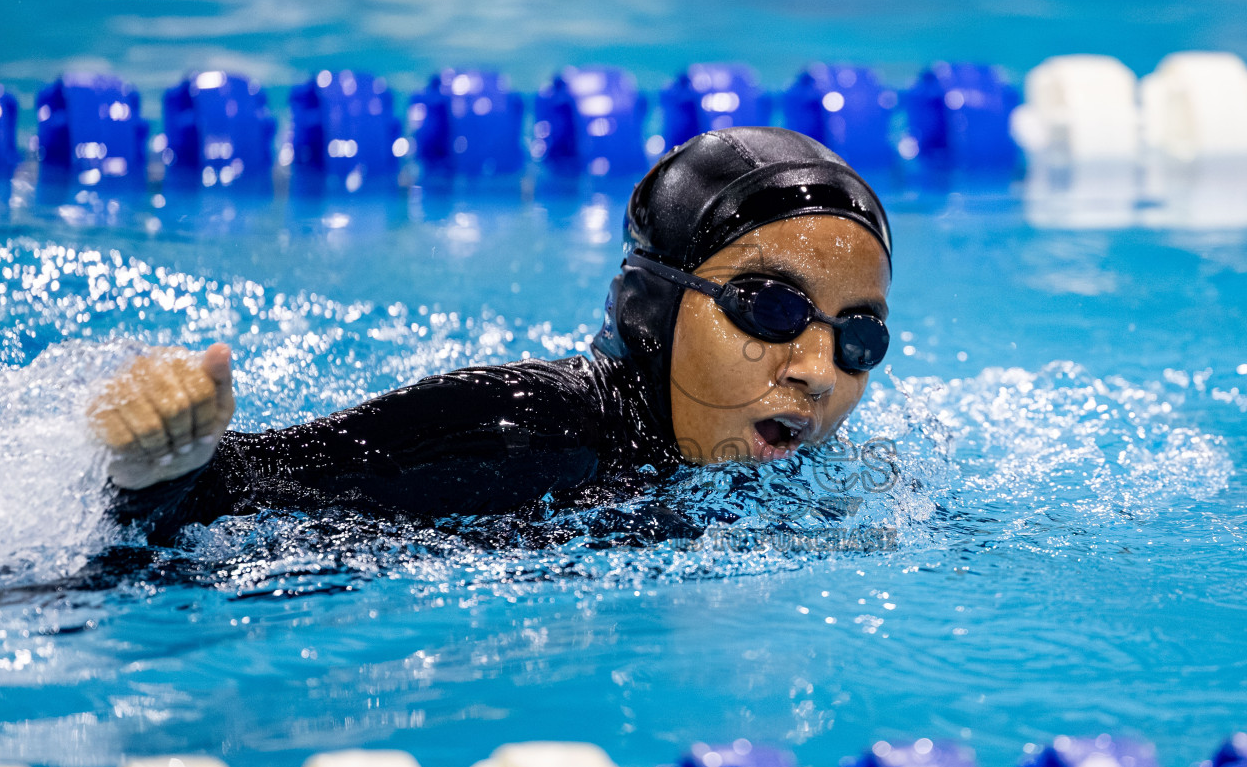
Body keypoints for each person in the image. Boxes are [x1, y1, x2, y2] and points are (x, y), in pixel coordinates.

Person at [91, 127, 893, 541]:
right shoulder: (519, 429)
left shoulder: (825, 481)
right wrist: (164, 460)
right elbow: (232, 491)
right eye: (773, 310)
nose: (821, 372)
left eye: (858, 337)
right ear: (647, 315)